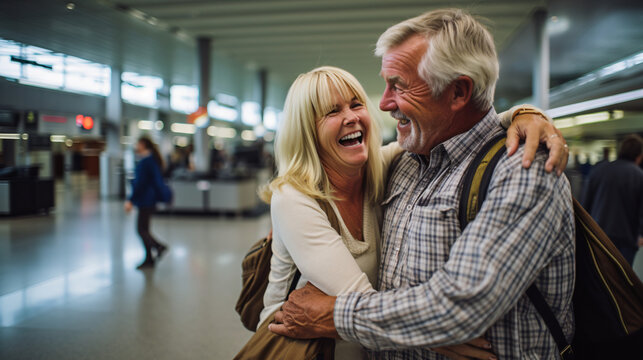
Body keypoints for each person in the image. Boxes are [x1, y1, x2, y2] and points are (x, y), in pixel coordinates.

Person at [270, 9, 575, 359]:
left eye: (398, 85)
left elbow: (461, 304)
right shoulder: (408, 162)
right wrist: (524, 112)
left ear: (458, 92)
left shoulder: (521, 171)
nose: (382, 103)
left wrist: (332, 315)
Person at [583, 134, 643, 264]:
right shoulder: (639, 175)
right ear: (639, 156)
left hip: (598, 235)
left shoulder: (599, 170)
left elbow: (585, 202)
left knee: (599, 276)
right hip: (626, 240)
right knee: (622, 279)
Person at [124, 137, 169, 270]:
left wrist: (130, 200)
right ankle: (149, 258)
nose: (136, 146)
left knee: (141, 229)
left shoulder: (146, 162)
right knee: (145, 229)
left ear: (143, 145)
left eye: (137, 143)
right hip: (150, 199)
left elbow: (140, 184)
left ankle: (159, 246)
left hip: (145, 200)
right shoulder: (152, 160)